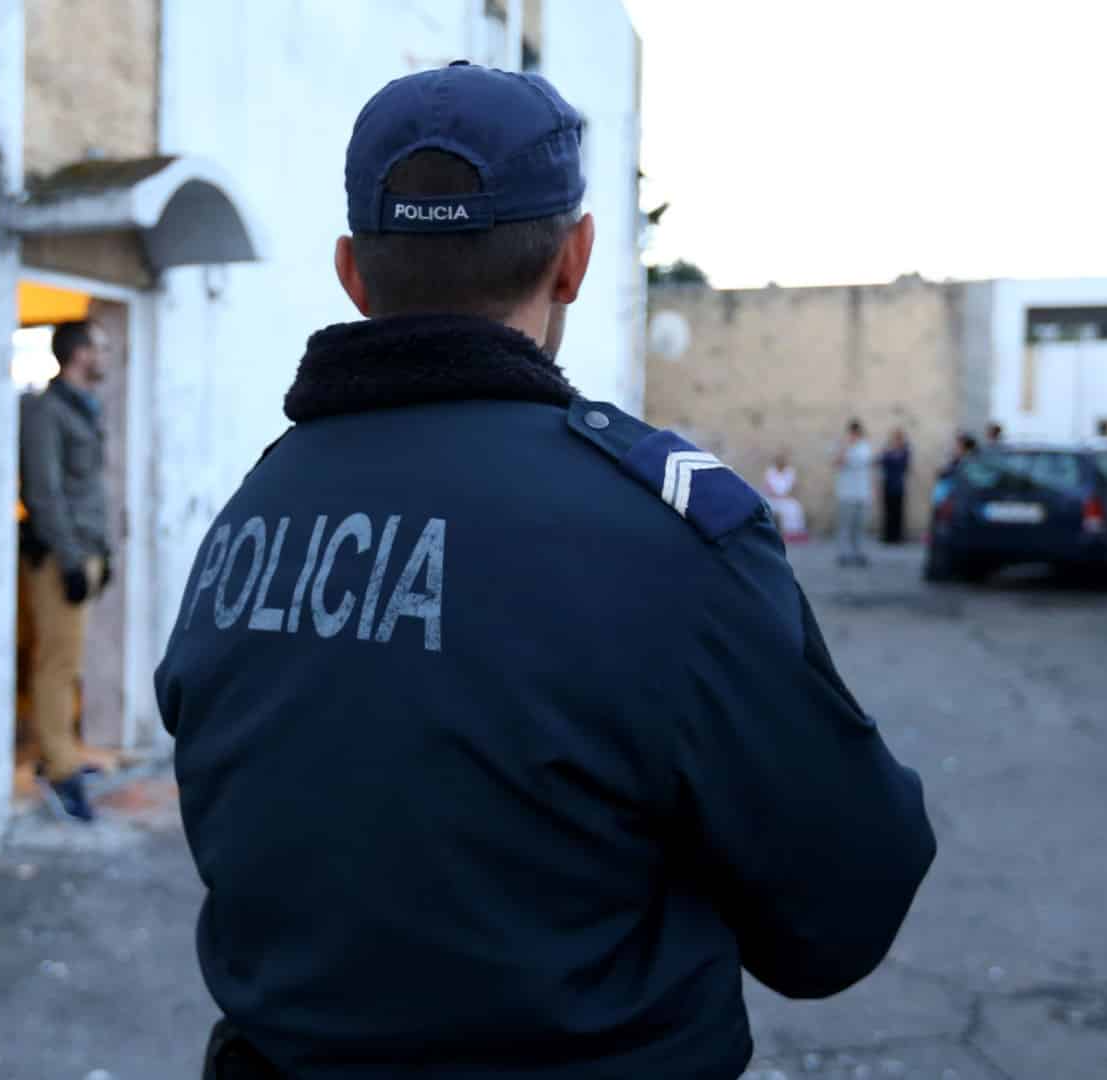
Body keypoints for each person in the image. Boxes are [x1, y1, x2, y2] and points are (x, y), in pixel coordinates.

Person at [156, 61, 934, 1080]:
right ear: (574, 258)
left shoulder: (252, 511)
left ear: (352, 270)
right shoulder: (666, 534)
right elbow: (840, 913)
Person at [17, 320, 114, 823]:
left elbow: (89, 488)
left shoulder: (83, 408)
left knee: (68, 663)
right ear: (78, 353)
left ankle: (61, 753)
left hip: (86, 552)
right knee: (56, 665)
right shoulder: (45, 411)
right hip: (60, 557)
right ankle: (59, 772)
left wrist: (105, 555)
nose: (106, 354)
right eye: (100, 347)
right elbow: (43, 494)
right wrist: (75, 561)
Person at [833, 418, 874, 566]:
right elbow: (837, 463)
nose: (854, 436)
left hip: (862, 494)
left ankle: (859, 553)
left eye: (856, 433)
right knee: (845, 526)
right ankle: (844, 553)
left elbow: (864, 462)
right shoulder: (843, 447)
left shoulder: (864, 448)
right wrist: (844, 447)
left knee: (860, 526)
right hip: (846, 494)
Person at [762, 451, 809, 542]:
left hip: (786, 498)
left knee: (794, 507)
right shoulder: (770, 471)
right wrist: (777, 495)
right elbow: (767, 488)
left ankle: (795, 532)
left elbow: (793, 487)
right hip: (773, 499)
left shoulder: (790, 471)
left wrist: (786, 495)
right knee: (775, 508)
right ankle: (782, 533)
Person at [878, 428, 911, 544]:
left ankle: (897, 536)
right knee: (888, 511)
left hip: (898, 485)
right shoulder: (889, 451)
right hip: (888, 484)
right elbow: (881, 461)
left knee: (897, 512)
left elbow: (904, 464)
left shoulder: (905, 451)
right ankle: (888, 535)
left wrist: (892, 456)